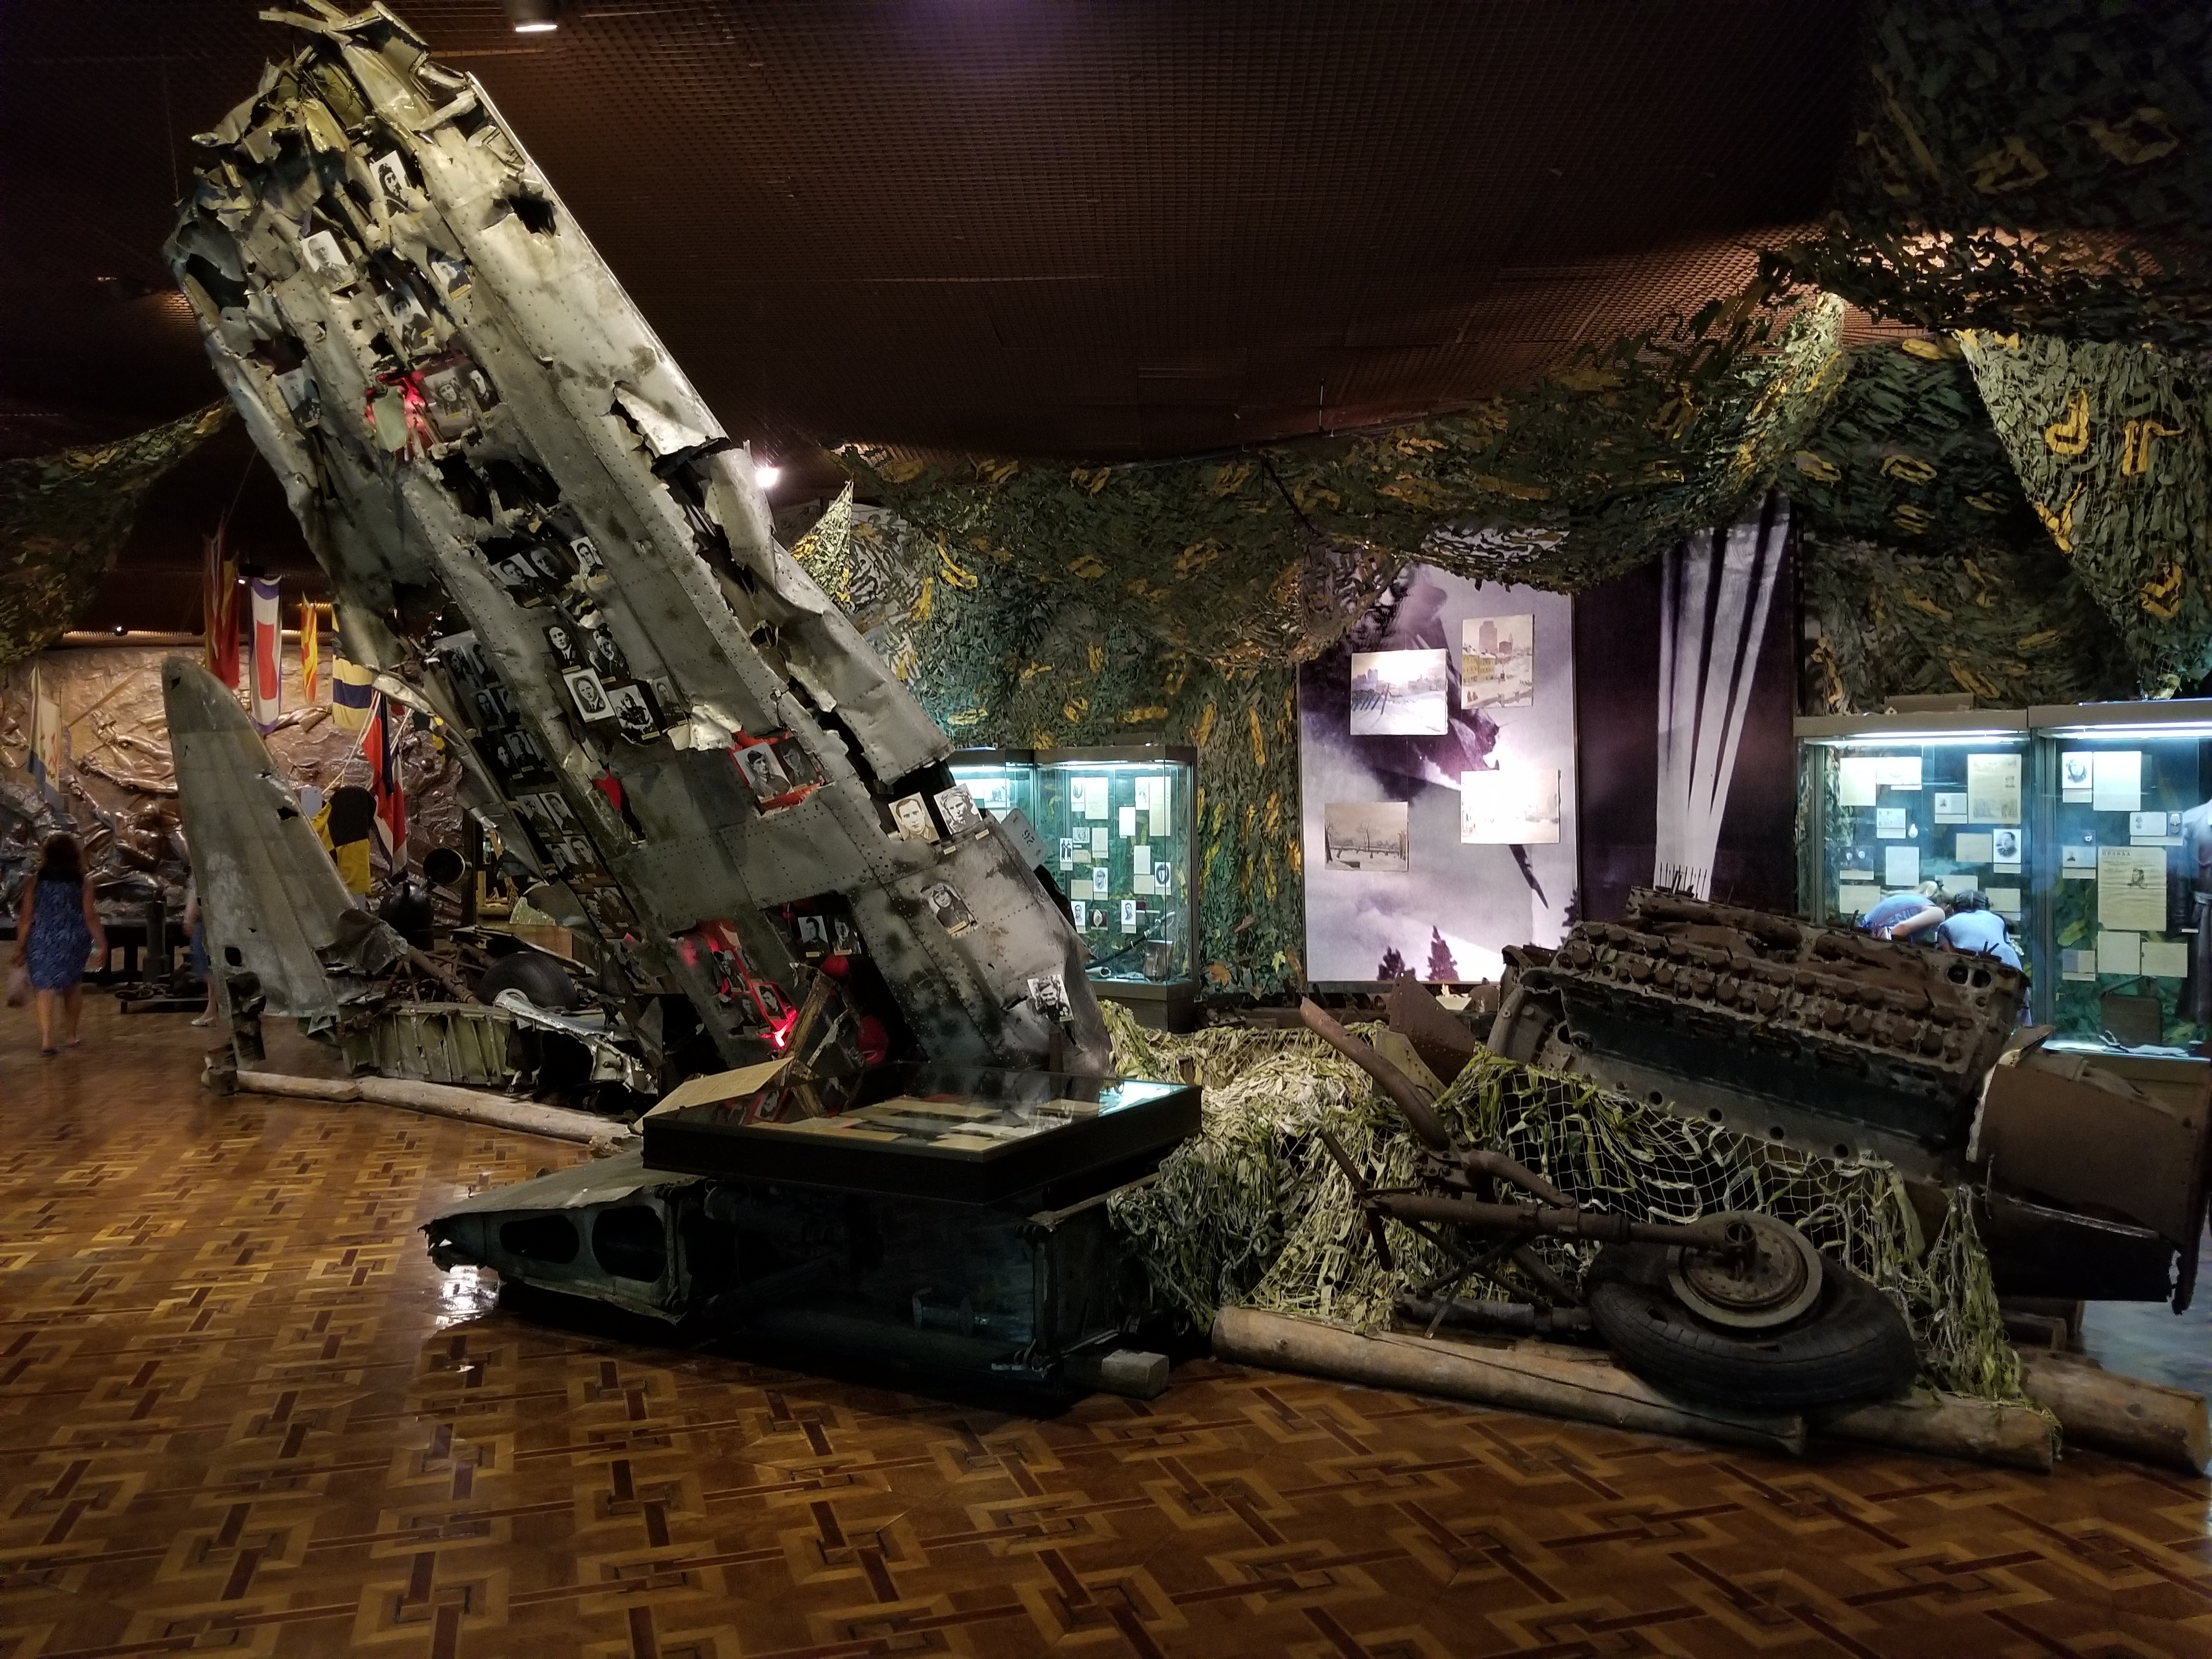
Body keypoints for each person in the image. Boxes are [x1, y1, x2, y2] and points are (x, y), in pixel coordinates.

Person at [16, 833, 107, 1057]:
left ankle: (47, 1039)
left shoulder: (34, 882)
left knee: (44, 988)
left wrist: (19, 946)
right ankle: (71, 1034)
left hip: (42, 938)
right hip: (73, 938)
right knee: (73, 985)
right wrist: (101, 942)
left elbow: (26, 918)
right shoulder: (83, 883)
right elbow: (90, 916)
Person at [1937, 890, 2022, 972]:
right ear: (1987, 907)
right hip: (2009, 965)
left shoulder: (1947, 924)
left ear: (1954, 908)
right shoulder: (1998, 919)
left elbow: (1949, 955)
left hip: (1969, 968)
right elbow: (2007, 944)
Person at [1859, 881, 1945, 943]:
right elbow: (1902, 928)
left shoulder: (1902, 898)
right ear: (1947, 906)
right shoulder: (1938, 911)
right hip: (1879, 945)